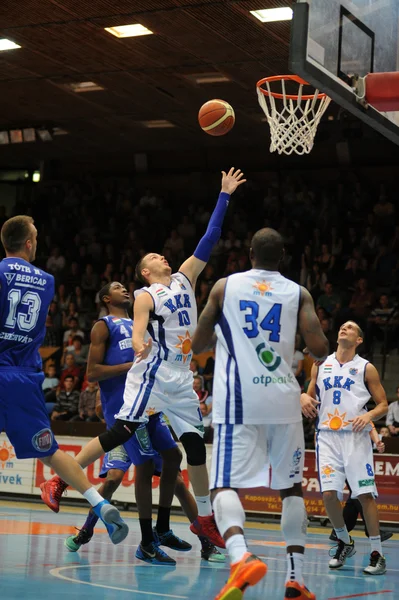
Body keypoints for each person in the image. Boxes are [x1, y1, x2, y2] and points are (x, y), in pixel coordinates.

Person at [40, 167, 245, 549]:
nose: (162, 256)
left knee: (196, 448)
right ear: (147, 272)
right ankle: (60, 479)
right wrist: (137, 343)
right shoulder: (144, 295)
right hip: (152, 372)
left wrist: (224, 195)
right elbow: (137, 327)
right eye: (154, 257)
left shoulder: (185, 277)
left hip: (182, 378)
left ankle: (203, 519)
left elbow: (210, 237)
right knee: (121, 431)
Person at [191, 227, 329, 600]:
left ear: (249, 253)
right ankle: (296, 579)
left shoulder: (224, 287)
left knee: (222, 483)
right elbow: (319, 347)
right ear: (282, 257)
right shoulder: (298, 293)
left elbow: (199, 344)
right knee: (290, 487)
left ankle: (240, 557)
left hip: (239, 400)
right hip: (284, 400)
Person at [0, 215, 128, 545]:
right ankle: (98, 502)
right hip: (25, 377)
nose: (38, 242)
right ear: (28, 244)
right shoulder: (46, 280)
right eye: (37, 237)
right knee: (50, 451)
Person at [65, 389, 224, 563]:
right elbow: (100, 410)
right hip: (124, 433)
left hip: (150, 430)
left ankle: (206, 543)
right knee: (112, 479)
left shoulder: (152, 373)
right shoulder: (118, 377)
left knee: (178, 484)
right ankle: (86, 531)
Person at [301, 321, 388, 575]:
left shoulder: (366, 368)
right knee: (329, 495)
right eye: (342, 326)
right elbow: (309, 396)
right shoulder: (321, 364)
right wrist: (304, 398)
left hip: (355, 436)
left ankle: (377, 553)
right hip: (326, 435)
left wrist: (369, 416)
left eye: (351, 328)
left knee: (364, 495)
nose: (344, 328)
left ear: (359, 340)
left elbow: (382, 404)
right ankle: (344, 541)